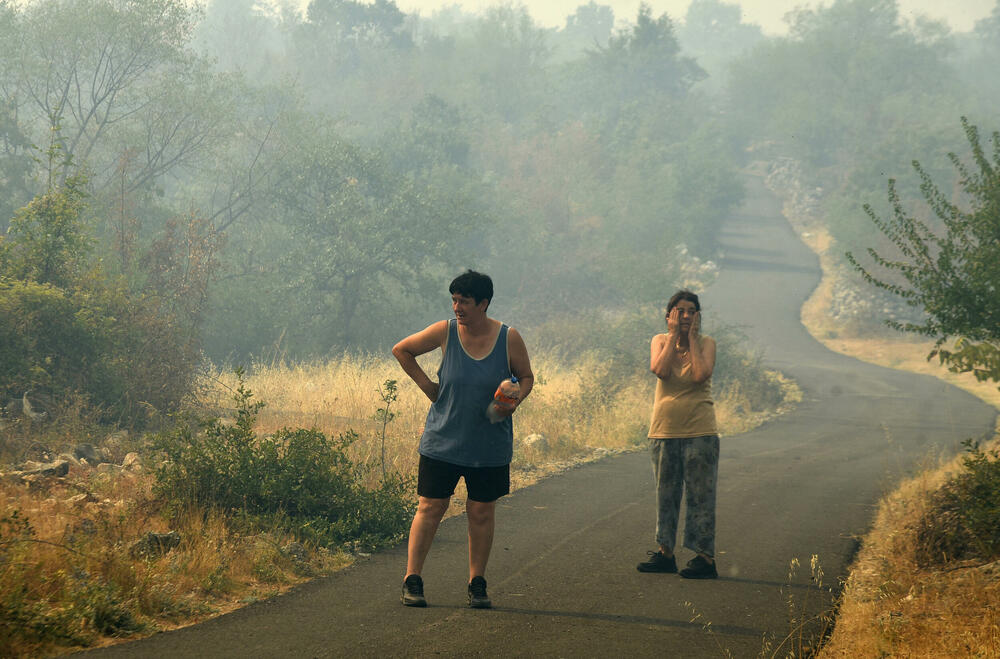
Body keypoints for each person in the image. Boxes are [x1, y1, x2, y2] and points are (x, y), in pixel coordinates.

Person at [392, 270, 533, 608]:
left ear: (483, 303)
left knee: (481, 511)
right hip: (443, 440)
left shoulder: (508, 337)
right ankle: (413, 579)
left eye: (464, 302)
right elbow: (402, 350)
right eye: (454, 300)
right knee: (431, 506)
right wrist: (429, 388)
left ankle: (477, 583)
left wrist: (516, 396)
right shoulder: (445, 332)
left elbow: (526, 376)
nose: (457, 307)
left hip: (489, 445)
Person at [636, 289, 720, 579]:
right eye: (680, 311)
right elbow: (659, 370)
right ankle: (665, 553)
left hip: (701, 431)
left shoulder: (707, 343)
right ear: (669, 315)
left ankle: (704, 558)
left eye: (691, 311)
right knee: (666, 495)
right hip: (664, 430)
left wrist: (692, 339)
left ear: (698, 316)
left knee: (701, 496)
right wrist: (674, 336)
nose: (685, 316)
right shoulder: (659, 341)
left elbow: (699, 375)